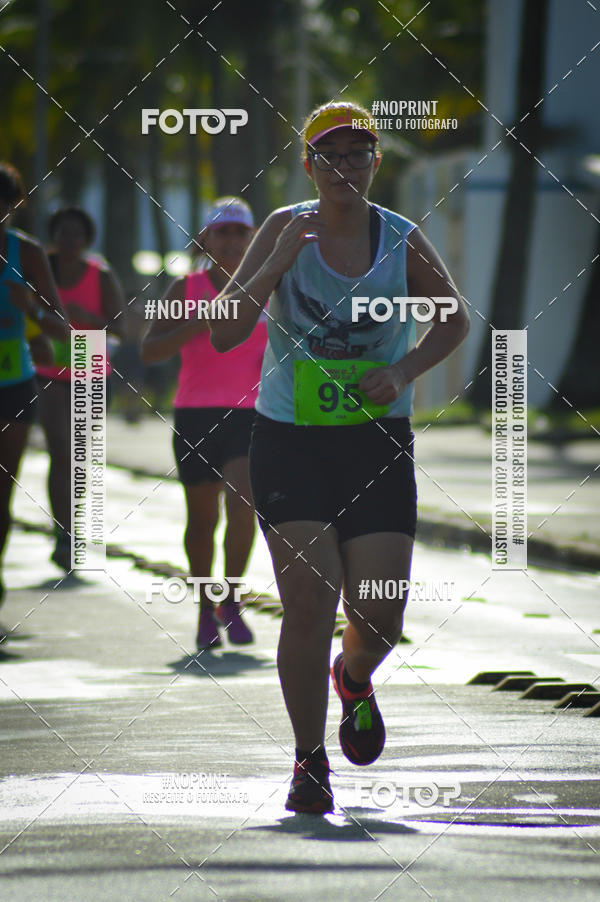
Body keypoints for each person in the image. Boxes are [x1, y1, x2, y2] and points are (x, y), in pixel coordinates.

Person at [207, 102, 470, 814]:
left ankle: (353, 677)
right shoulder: (282, 228)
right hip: (289, 439)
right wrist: (279, 264)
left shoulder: (401, 237)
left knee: (381, 617)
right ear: (309, 167)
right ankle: (308, 761)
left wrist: (406, 370)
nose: (344, 169)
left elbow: (455, 320)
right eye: (329, 157)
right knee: (311, 600)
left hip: (375, 441)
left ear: (376, 163)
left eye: (358, 155)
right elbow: (227, 331)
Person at [141, 198, 267, 651]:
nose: (232, 240)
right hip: (195, 415)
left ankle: (231, 598)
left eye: (240, 232)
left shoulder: (265, 288)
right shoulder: (185, 288)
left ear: (253, 239)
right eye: (223, 232)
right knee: (202, 519)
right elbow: (149, 351)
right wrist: (200, 322)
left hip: (252, 414)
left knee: (243, 502)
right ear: (206, 240)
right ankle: (203, 609)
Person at [35, 206, 126, 570]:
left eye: (76, 234)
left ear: (87, 240)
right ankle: (63, 533)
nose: (68, 241)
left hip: (90, 367)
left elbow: (121, 328)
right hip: (50, 368)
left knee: (78, 455)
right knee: (59, 449)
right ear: (53, 238)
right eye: (62, 233)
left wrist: (90, 320)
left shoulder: (99, 275)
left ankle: (72, 527)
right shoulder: (41, 271)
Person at [0, 162, 68, 608]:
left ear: (15, 206)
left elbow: (62, 328)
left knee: (2, 491)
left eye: (3, 204)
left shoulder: (26, 253)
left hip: (12, 384)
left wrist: (31, 310)